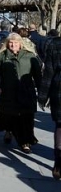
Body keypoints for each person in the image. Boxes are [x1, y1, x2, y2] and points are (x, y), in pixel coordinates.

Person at [0, 33, 42, 154]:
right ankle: (9, 131)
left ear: (20, 43)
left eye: (16, 43)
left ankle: (26, 142)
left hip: (26, 92)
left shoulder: (29, 56)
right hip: (8, 92)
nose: (13, 45)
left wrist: (41, 90)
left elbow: (37, 75)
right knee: (10, 114)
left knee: (27, 117)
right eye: (11, 43)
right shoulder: (1, 56)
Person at [39, 36, 61, 180]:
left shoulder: (56, 44)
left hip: (59, 90)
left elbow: (49, 72)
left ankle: (58, 161)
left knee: (60, 126)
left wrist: (43, 96)